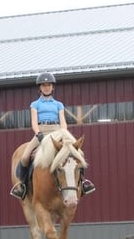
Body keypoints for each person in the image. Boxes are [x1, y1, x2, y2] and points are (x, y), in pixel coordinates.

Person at [10, 72, 96, 200]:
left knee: (80, 154)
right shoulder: (35, 104)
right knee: (25, 156)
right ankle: (22, 186)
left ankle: (83, 183)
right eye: (44, 85)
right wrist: (38, 133)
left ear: (52, 87)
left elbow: (63, 122)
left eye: (49, 85)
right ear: (40, 88)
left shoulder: (58, 104)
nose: (46, 87)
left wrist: (64, 134)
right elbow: (34, 121)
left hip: (57, 131)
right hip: (42, 131)